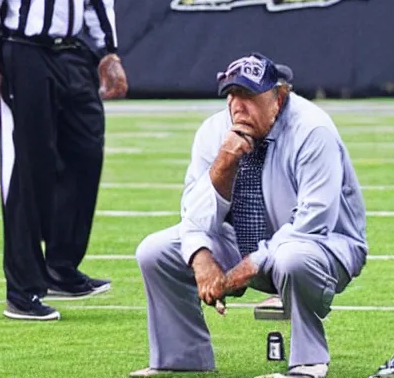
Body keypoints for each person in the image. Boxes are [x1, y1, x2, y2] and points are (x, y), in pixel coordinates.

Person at [132, 53, 368, 378]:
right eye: (233, 95)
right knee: (155, 251)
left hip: (325, 246)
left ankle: (308, 364)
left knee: (292, 258)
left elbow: (315, 220)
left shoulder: (313, 129)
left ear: (279, 97)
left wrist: (252, 263)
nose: (239, 106)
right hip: (243, 241)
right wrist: (201, 255)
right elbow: (193, 215)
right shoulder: (214, 130)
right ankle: (181, 358)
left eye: (249, 96)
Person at [0, 0, 128, 321]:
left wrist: (109, 53)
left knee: (87, 152)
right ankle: (22, 289)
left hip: (73, 54)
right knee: (30, 166)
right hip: (23, 52)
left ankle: (61, 267)